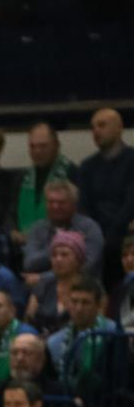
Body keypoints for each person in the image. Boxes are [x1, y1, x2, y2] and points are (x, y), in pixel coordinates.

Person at [77, 107, 134, 285]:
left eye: (102, 125)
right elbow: (84, 206)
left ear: (119, 128)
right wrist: (95, 234)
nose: (96, 131)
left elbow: (130, 203)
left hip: (126, 233)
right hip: (95, 235)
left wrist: (112, 234)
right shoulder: (86, 167)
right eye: (93, 127)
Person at [46, 276, 117, 400]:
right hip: (66, 401)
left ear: (98, 306)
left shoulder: (112, 333)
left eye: (86, 303)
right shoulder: (54, 342)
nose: (79, 308)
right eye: (74, 302)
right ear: (68, 304)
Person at [9, 122, 78, 247]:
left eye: (43, 146)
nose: (37, 151)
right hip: (21, 245)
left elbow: (77, 216)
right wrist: (13, 231)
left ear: (56, 145)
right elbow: (11, 212)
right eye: (32, 146)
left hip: (58, 245)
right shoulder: (22, 177)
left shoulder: (72, 174)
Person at [20, 180, 104, 280]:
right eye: (51, 202)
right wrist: (60, 246)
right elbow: (29, 263)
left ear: (74, 205)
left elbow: (87, 266)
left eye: (61, 203)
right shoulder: (38, 228)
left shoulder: (89, 228)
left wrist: (43, 278)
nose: (55, 206)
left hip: (81, 285)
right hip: (42, 287)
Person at [25, 230, 89, 334]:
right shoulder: (43, 284)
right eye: (54, 255)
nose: (58, 259)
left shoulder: (89, 288)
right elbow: (29, 318)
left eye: (64, 255)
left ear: (78, 259)